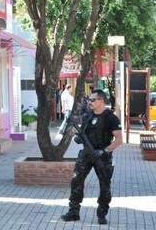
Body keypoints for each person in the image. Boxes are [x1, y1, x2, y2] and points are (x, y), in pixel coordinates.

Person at [61, 89, 123, 225]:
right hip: (86, 154)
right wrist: (78, 138)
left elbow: (119, 140)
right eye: (89, 99)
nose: (90, 102)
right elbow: (82, 134)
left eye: (93, 100)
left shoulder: (110, 118)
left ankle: (102, 214)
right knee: (76, 180)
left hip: (102, 156)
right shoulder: (87, 116)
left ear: (101, 101)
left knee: (105, 185)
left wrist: (104, 151)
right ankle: (73, 212)